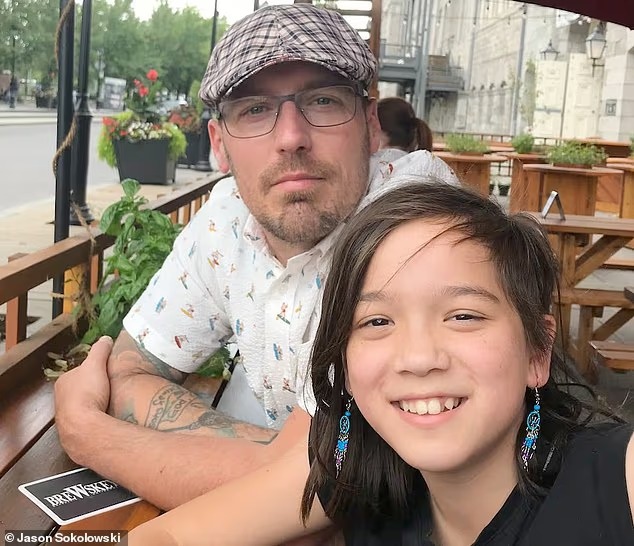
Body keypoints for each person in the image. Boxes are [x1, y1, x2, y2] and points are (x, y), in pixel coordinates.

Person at [54, 3, 458, 513]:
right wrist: (276, 459)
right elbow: (129, 367)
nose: (291, 138)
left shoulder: (414, 227)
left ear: (370, 125)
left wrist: (89, 434)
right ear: (219, 145)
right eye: (254, 110)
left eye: (324, 101)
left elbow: (320, 493)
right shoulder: (227, 218)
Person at [124, 182, 633, 545]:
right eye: (376, 322)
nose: (418, 358)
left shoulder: (617, 484)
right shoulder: (357, 464)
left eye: (463, 315)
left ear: (537, 352)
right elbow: (167, 537)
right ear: (344, 365)